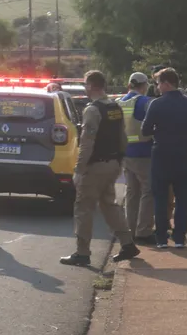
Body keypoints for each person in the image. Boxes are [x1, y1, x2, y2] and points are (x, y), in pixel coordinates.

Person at [60, 70, 140, 266]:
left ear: (91, 85)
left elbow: (87, 143)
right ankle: (127, 243)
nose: (85, 88)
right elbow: (123, 136)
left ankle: (82, 252)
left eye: (86, 84)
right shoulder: (115, 107)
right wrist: (120, 160)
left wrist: (79, 170)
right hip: (112, 163)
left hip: (95, 166)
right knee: (108, 204)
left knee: (83, 207)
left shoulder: (92, 110)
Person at [141, 68, 187, 248]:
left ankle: (161, 238)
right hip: (182, 155)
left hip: (161, 155)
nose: (157, 87)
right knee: (182, 199)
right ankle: (180, 238)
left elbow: (145, 130)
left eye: (158, 83)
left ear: (166, 83)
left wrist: (158, 132)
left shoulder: (156, 104)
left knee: (160, 198)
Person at [117, 72, 156, 245]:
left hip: (126, 153)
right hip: (144, 152)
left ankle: (130, 230)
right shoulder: (144, 102)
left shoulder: (118, 102)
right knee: (149, 191)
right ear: (144, 85)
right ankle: (144, 231)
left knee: (132, 192)